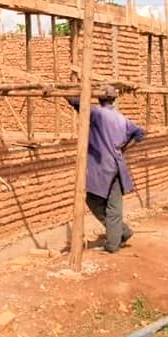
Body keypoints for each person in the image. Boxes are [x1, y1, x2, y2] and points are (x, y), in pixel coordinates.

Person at [68, 85, 144, 253]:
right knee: (114, 205)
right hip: (118, 165)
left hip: (103, 166)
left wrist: (63, 92)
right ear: (114, 99)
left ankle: (116, 238)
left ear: (99, 98)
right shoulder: (121, 118)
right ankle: (119, 235)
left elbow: (77, 102)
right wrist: (124, 148)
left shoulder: (97, 114)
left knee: (93, 200)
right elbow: (140, 133)